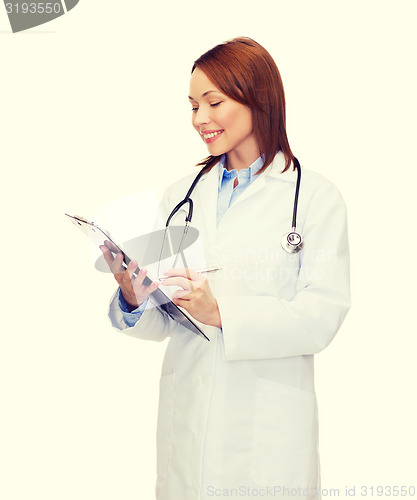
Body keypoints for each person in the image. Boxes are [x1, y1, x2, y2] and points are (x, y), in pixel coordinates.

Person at [101, 37, 351, 500]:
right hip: (189, 421)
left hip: (268, 427)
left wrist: (224, 314)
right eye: (193, 105)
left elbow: (322, 315)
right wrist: (135, 295)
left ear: (257, 98)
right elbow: (166, 320)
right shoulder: (180, 196)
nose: (199, 119)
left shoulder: (313, 198)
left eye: (213, 102)